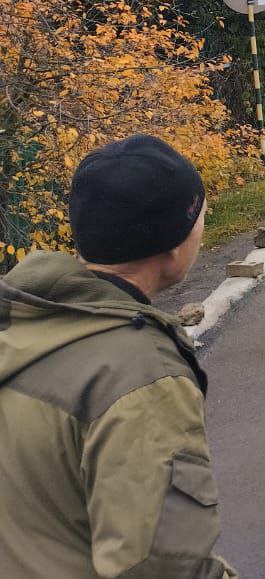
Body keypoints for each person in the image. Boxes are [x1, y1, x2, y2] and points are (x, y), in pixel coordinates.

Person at [0, 135, 236, 577]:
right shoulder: (144, 377)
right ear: (173, 241)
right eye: (202, 213)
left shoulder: (21, 321)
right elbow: (163, 566)